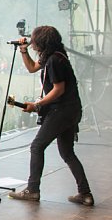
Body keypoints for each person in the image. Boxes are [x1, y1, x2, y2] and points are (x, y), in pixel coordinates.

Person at [10, 26, 94, 205]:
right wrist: (23, 51)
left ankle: (32, 190)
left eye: (34, 41)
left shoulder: (55, 60)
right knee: (67, 153)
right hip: (70, 110)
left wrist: (37, 104)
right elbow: (32, 68)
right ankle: (85, 194)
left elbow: (58, 89)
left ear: (42, 42)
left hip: (61, 111)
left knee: (37, 146)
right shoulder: (54, 56)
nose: (32, 44)